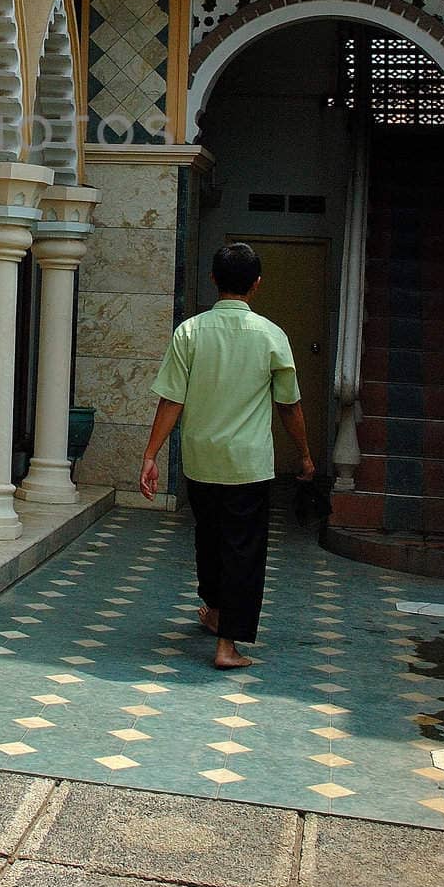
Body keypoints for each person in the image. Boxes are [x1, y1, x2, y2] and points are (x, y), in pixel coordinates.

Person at [139, 242, 314, 670]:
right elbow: (289, 406)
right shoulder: (272, 336)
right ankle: (227, 645)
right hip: (248, 464)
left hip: (201, 459)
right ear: (256, 284)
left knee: (209, 539)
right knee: (244, 551)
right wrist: (305, 456)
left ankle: (215, 611)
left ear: (214, 279)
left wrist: (150, 455)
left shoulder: (190, 332)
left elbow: (171, 401)